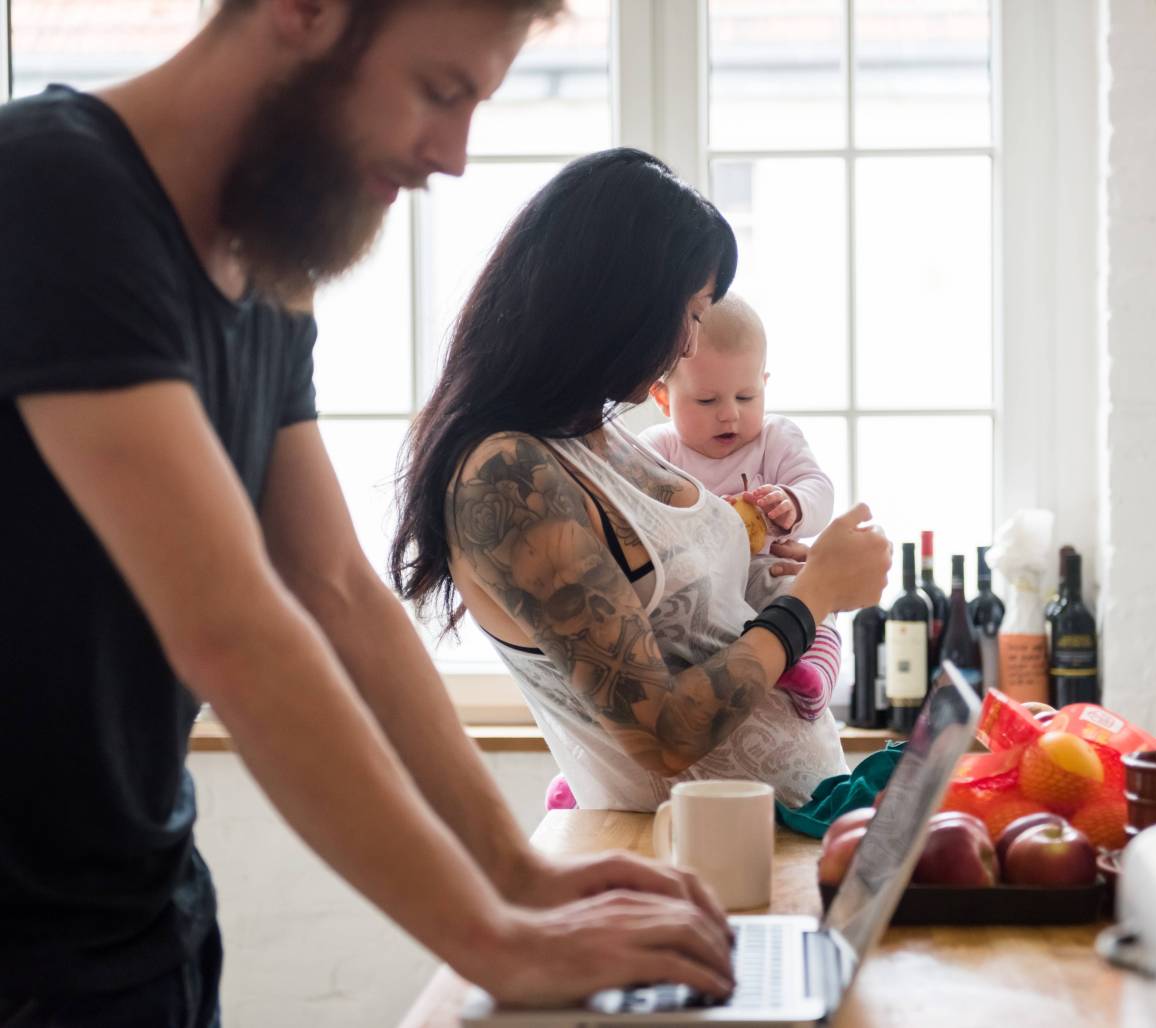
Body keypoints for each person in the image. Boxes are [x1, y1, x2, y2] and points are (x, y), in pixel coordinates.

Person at [0, 1, 738, 1022]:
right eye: (439, 92)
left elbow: (338, 590)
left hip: (140, 909)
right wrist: (493, 939)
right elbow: (235, 628)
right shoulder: (53, 191)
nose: (455, 156)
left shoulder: (268, 276)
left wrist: (518, 878)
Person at [390, 147, 891, 816]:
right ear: (617, 304)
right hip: (684, 860)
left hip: (773, 837)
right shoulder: (506, 477)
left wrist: (792, 575)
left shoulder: (601, 437)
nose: (688, 344)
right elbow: (664, 732)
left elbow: (700, 619)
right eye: (687, 312)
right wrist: (812, 601)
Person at [640, 293, 841, 721]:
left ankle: (814, 674)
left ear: (765, 384)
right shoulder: (657, 451)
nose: (729, 415)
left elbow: (819, 487)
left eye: (746, 397)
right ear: (662, 398)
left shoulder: (776, 438)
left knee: (801, 594)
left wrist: (794, 503)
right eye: (707, 401)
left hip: (765, 572)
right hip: (697, 591)